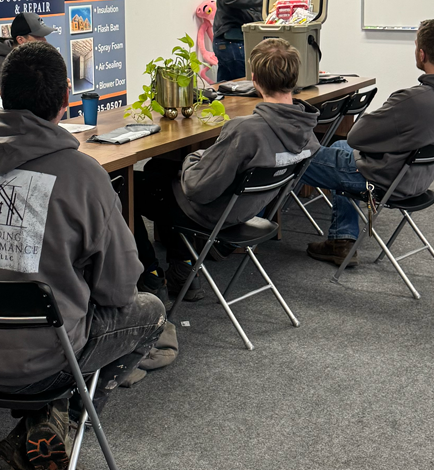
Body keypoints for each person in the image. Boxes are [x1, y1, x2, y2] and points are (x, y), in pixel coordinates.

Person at [0, 41, 165, 470]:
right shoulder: (83, 175)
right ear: (66, 97)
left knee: (49, 309)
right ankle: (62, 422)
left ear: (1, 94)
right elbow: (118, 289)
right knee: (150, 312)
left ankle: (42, 421)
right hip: (45, 360)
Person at [135, 39, 319, 313]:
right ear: (295, 78)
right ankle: (184, 268)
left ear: (254, 80)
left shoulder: (245, 131)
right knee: (159, 168)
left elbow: (197, 189)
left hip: (211, 213)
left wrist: (193, 157)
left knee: (125, 190)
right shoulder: (308, 133)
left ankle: (150, 276)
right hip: (248, 209)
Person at [301, 18, 434, 266]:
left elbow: (356, 136)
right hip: (418, 178)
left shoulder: (413, 100)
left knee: (291, 157)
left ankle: (252, 230)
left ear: (421, 53)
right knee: (339, 147)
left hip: (382, 180)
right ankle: (341, 240)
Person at [0, 12, 55, 99]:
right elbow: (3, 105)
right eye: (38, 36)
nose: (44, 40)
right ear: (20, 40)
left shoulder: (34, 60)